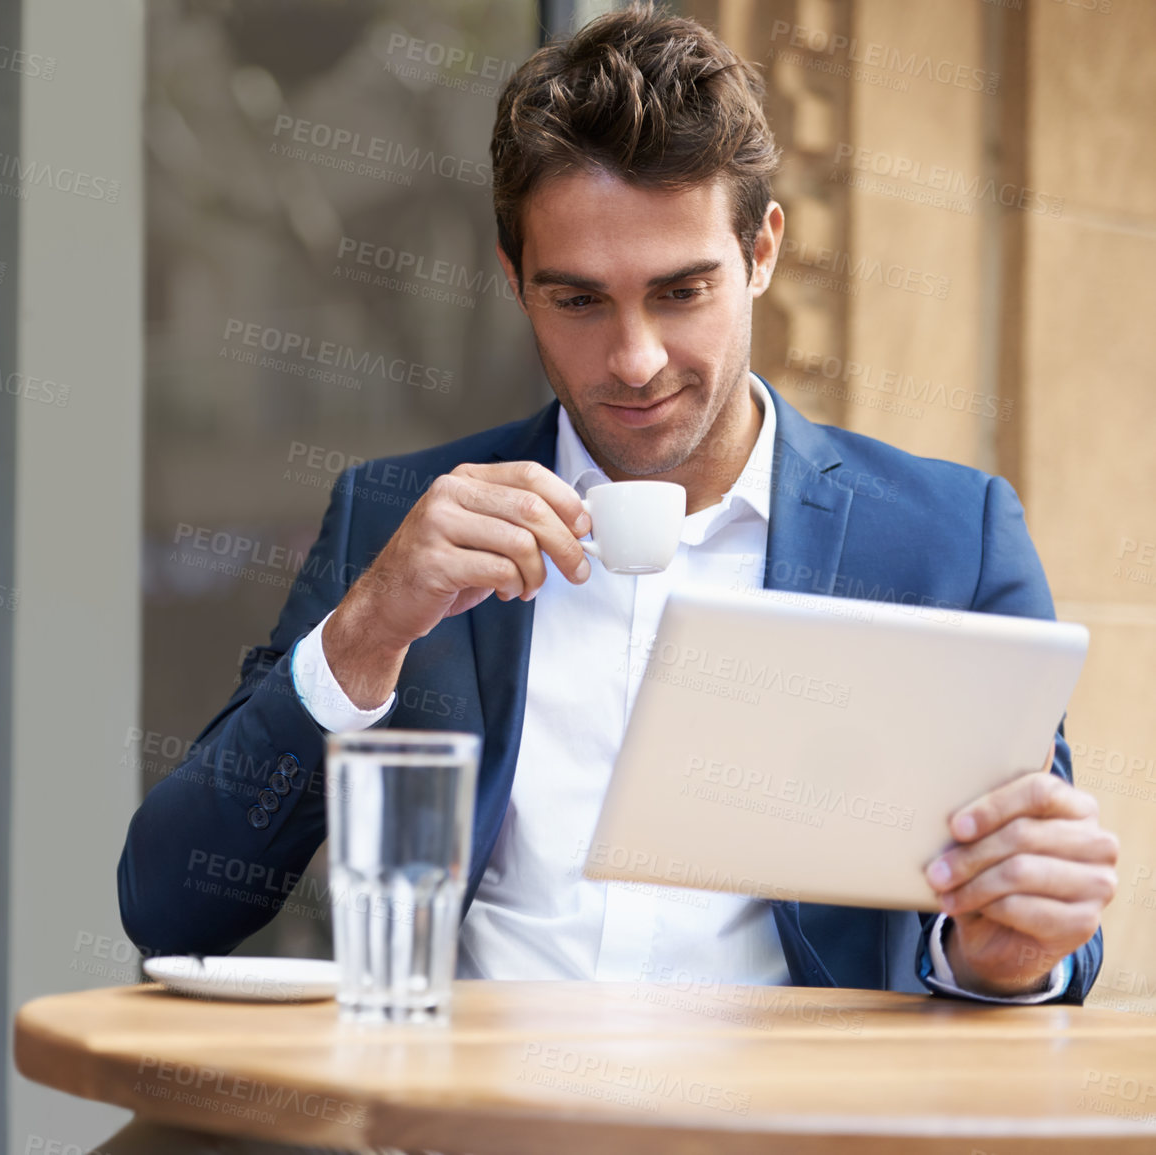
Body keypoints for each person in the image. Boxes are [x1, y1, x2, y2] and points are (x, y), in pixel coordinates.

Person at [110, 8, 1116, 1149]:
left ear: (765, 251)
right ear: (513, 276)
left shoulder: (943, 537)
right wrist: (365, 634)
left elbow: (1042, 935)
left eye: (681, 292)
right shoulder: (399, 523)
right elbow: (171, 902)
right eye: (577, 300)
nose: (632, 363)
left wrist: (1000, 950)